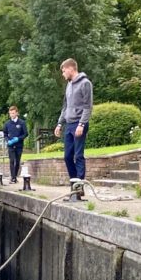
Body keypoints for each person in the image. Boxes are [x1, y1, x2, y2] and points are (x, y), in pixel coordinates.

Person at [54, 58, 93, 191]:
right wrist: (60, 123)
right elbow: (65, 106)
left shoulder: (85, 83)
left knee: (78, 155)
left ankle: (79, 188)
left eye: (64, 71)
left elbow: (88, 107)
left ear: (71, 68)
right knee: (67, 157)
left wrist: (82, 124)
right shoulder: (69, 85)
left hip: (79, 123)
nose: (63, 74)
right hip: (69, 124)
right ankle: (74, 185)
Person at [3, 106, 28, 183]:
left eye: (13, 113)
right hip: (10, 145)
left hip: (19, 145)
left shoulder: (22, 123)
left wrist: (18, 139)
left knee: (17, 161)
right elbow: (5, 134)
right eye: (10, 113)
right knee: (12, 160)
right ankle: (13, 178)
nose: (12, 115)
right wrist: (8, 141)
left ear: (17, 113)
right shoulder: (7, 123)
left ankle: (15, 176)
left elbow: (25, 134)